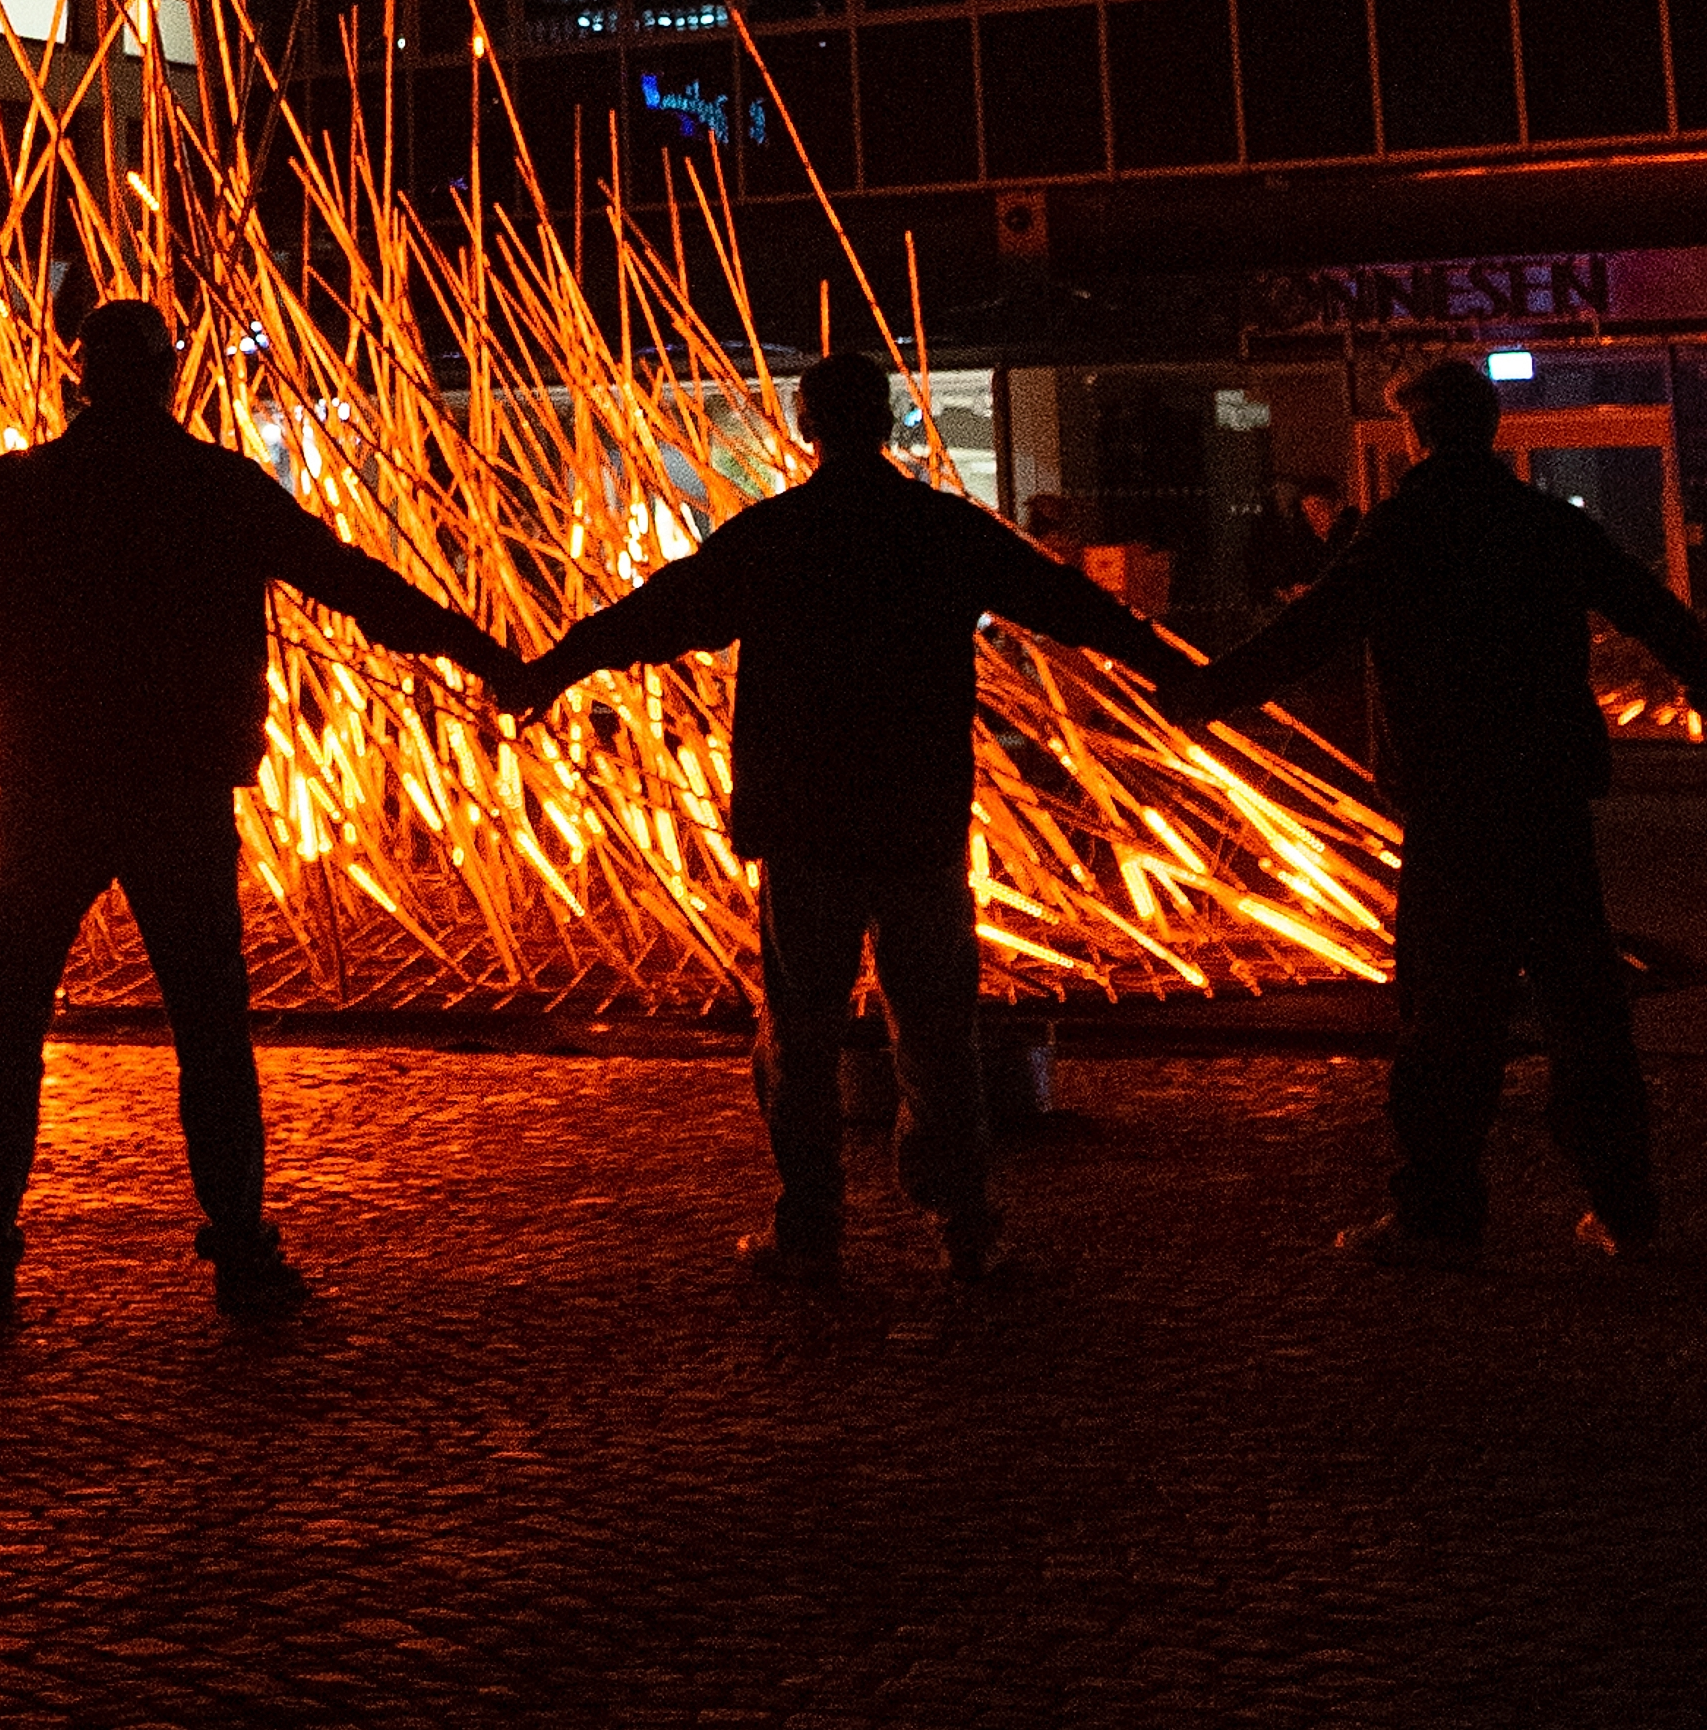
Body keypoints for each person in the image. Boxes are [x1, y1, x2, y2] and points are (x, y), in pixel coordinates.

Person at [0, 299, 525, 1321]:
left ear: (80, 379)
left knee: (9, 1023)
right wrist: (490, 658)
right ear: (169, 377)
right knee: (209, 1026)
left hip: (47, 788)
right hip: (178, 789)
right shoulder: (217, 488)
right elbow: (357, 586)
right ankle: (239, 1244)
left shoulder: (25, 491)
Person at [517, 346, 1197, 1288]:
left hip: (808, 824)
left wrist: (554, 667)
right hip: (917, 817)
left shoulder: (779, 534)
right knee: (937, 1030)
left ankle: (811, 1226)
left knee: (800, 1031)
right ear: (887, 420)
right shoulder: (938, 528)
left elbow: (659, 611)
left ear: (807, 423)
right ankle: (962, 1221)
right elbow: (1068, 604)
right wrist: (1180, 676)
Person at [1183, 351, 1707, 1267]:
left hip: (1455, 809)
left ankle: (1438, 1211)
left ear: (1419, 431)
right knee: (1586, 1010)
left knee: (1447, 1017)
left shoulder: (1403, 529)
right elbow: (1660, 617)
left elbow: (1306, 634)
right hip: (1547, 803)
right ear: (1492, 427)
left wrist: (1201, 693)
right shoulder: (1543, 523)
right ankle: (1626, 1207)